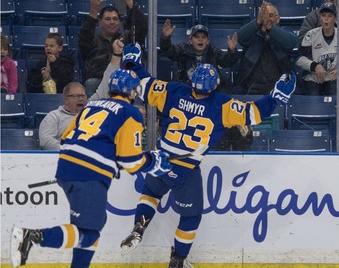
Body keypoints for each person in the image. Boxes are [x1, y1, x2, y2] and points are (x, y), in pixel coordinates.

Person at [118, 43, 296, 268]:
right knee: (190, 217)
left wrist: (131, 61)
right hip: (185, 168)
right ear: (214, 86)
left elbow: (143, 83)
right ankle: (177, 262)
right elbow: (253, 114)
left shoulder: (175, 91)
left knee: (151, 193)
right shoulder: (221, 105)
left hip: (160, 159)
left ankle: (139, 227)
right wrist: (275, 98)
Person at [10, 65, 173, 267]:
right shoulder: (130, 112)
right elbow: (130, 162)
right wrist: (152, 161)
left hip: (66, 168)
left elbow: (68, 137)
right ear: (132, 91)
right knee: (89, 232)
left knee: (91, 229)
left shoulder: (90, 106)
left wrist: (106, 158)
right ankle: (33, 236)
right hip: (88, 176)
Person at [78, 0, 147, 94]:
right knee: (91, 83)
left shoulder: (126, 39)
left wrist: (130, 2)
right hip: (98, 83)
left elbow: (141, 28)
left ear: (120, 22)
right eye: (107, 19)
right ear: (100, 22)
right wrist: (93, 11)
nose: (112, 22)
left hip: (123, 81)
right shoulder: (92, 41)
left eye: (115, 19)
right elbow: (84, 36)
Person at [233, 0, 298, 95]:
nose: (266, 19)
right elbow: (241, 37)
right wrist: (257, 22)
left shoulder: (284, 31)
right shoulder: (253, 34)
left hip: (278, 87)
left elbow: (290, 42)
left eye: (270, 16)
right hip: (251, 86)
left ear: (277, 19)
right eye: (263, 15)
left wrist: (270, 27)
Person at [296, 2, 339, 96]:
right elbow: (299, 58)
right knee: (313, 99)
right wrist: (315, 66)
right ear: (320, 18)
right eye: (323, 15)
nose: (326, 18)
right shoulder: (311, 35)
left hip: (334, 76)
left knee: (334, 97)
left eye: (330, 16)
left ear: (335, 18)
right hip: (314, 77)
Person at [160, 20, 240, 90]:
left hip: (210, 92)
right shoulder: (183, 50)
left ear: (207, 41)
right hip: (187, 92)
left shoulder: (213, 51)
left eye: (203, 37)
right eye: (196, 37)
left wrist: (232, 51)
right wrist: (165, 39)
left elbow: (227, 61)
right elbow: (169, 51)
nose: (200, 39)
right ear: (190, 41)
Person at [39, 82, 87, 150]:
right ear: (66, 99)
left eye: (83, 96)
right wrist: (68, 150)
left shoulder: (91, 116)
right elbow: (46, 141)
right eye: (76, 96)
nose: (81, 99)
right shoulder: (54, 116)